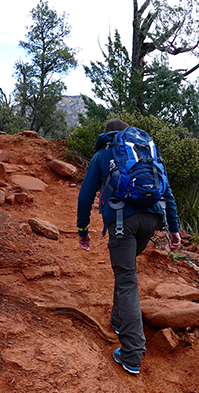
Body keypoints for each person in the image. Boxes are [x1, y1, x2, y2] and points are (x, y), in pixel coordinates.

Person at [76, 119, 181, 375]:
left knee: (126, 279)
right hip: (152, 219)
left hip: (123, 221)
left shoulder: (103, 154)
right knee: (126, 270)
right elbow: (167, 193)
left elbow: (86, 194)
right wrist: (173, 229)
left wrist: (82, 229)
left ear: (107, 134)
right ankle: (119, 320)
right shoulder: (146, 154)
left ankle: (132, 354)